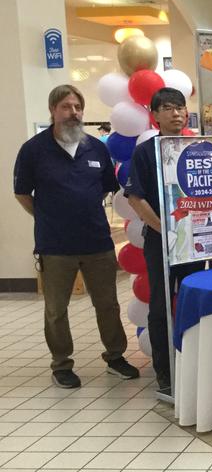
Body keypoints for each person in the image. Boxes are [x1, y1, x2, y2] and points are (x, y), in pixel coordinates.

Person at [13, 85, 138, 389]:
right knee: (57, 309)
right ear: (53, 111)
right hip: (55, 245)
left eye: (78, 107)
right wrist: (47, 217)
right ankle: (61, 364)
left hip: (97, 241)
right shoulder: (33, 150)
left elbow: (108, 187)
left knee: (107, 304)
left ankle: (115, 355)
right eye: (66, 107)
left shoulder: (96, 148)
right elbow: (21, 193)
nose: (73, 113)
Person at [125, 87, 205, 395]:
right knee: (160, 307)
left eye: (180, 107)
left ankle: (195, 362)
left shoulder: (200, 147)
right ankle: (165, 372)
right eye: (168, 108)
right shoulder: (147, 151)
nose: (176, 113)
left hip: (196, 241)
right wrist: (165, 231)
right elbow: (135, 197)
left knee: (194, 299)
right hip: (161, 241)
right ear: (155, 115)